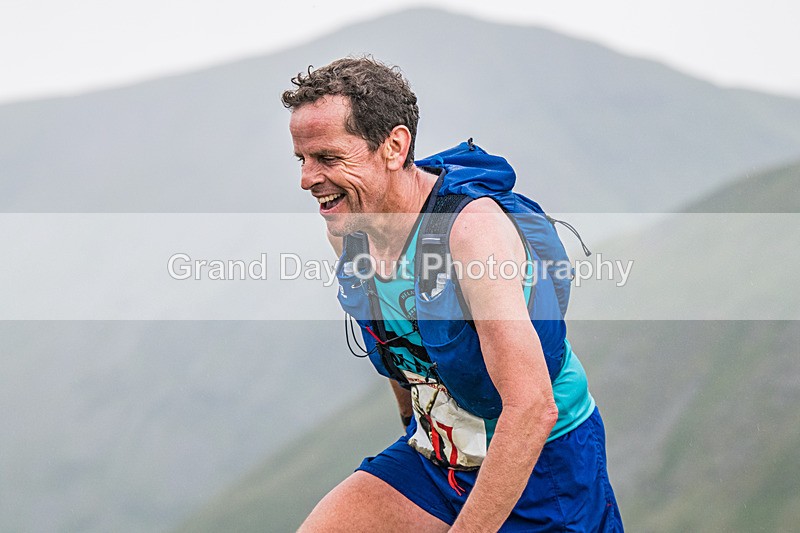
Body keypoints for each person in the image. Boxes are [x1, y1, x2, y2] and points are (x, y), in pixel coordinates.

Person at [282, 57, 622, 532]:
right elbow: (398, 340)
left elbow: (531, 407)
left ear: (394, 147)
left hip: (543, 466)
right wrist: (412, 425)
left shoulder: (470, 232)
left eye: (329, 159)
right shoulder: (349, 230)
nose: (306, 179)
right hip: (436, 456)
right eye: (302, 159)